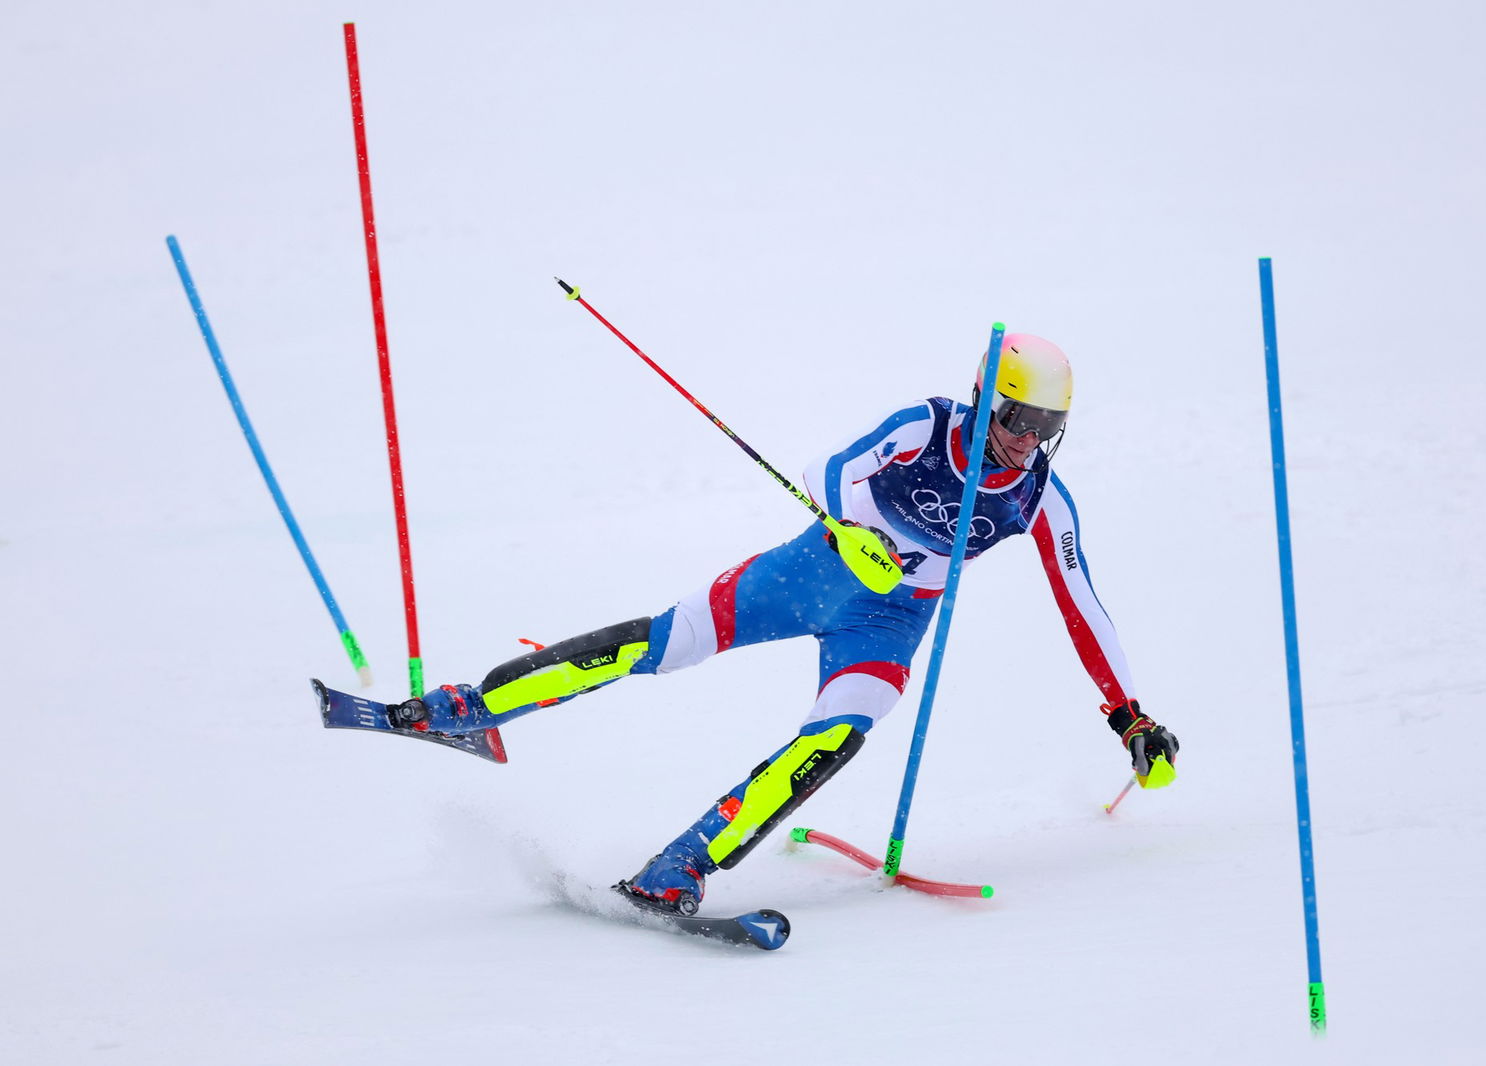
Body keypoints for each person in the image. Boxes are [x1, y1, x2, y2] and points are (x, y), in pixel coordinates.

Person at [390, 333, 1178, 915]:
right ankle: (472, 708)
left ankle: (682, 868)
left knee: (835, 738)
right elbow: (827, 472)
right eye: (1016, 418)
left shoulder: (1039, 495)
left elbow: (1083, 604)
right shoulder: (927, 426)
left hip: (891, 622)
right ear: (985, 397)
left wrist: (1128, 715)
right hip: (813, 571)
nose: (1027, 440)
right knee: (665, 645)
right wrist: (856, 533)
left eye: (1047, 426)